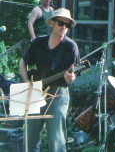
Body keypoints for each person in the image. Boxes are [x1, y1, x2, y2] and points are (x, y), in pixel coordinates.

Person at [19, 8, 79, 151]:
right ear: (52, 23)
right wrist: (27, 82)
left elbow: (72, 78)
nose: (64, 27)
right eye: (60, 23)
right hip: (36, 91)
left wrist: (70, 78)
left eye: (67, 25)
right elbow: (23, 62)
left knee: (56, 140)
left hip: (58, 93)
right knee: (29, 138)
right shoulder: (38, 43)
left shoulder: (71, 47)